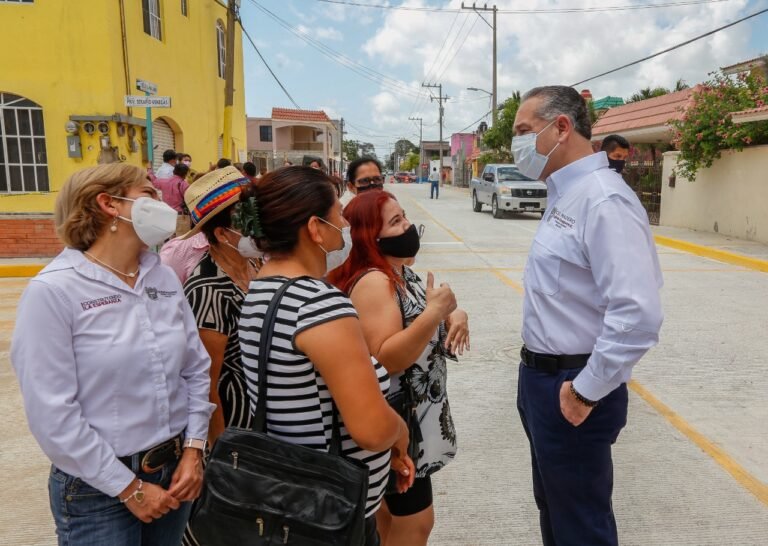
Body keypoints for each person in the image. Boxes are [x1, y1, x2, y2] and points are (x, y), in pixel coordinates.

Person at [11, 163, 214, 545]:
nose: (164, 203)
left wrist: (193, 449)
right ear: (109, 204)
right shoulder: (55, 291)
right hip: (96, 489)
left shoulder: (162, 276)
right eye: (149, 194)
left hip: (173, 473)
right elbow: (52, 413)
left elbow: (195, 368)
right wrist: (128, 488)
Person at [511, 85, 663, 546]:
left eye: (522, 131)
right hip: (541, 380)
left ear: (562, 127)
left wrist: (585, 390)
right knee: (557, 512)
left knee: (580, 525)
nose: (515, 145)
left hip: (573, 386)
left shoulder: (603, 200)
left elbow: (637, 314)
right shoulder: (566, 193)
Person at [238, 166, 415, 545]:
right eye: (338, 214)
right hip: (330, 510)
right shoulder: (319, 305)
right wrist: (400, 433)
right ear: (315, 229)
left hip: (285, 496)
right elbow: (369, 429)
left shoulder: (259, 291)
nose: (345, 225)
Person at [329, 190, 470, 546]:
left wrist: (454, 313)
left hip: (413, 420)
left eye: (404, 216)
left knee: (389, 521)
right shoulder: (375, 281)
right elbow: (385, 358)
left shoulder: (398, 273)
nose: (408, 226)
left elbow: (420, 313)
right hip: (400, 422)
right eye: (396, 222)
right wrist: (436, 313)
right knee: (416, 524)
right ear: (369, 238)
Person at [179, 167, 262, 546]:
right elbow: (207, 383)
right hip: (235, 430)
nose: (256, 226)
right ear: (222, 234)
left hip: (263, 423)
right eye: (247, 220)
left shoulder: (255, 265)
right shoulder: (208, 288)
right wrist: (223, 452)